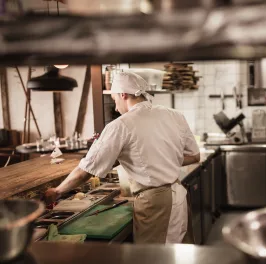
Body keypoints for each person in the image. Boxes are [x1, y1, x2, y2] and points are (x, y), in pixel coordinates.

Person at [44, 71, 200, 244]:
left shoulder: (121, 125)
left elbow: (85, 171)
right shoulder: (174, 115)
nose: (116, 107)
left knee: (152, 258)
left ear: (123, 94)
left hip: (154, 204)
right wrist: (165, 159)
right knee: (178, 256)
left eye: (115, 99)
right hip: (178, 196)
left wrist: (56, 191)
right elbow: (194, 156)